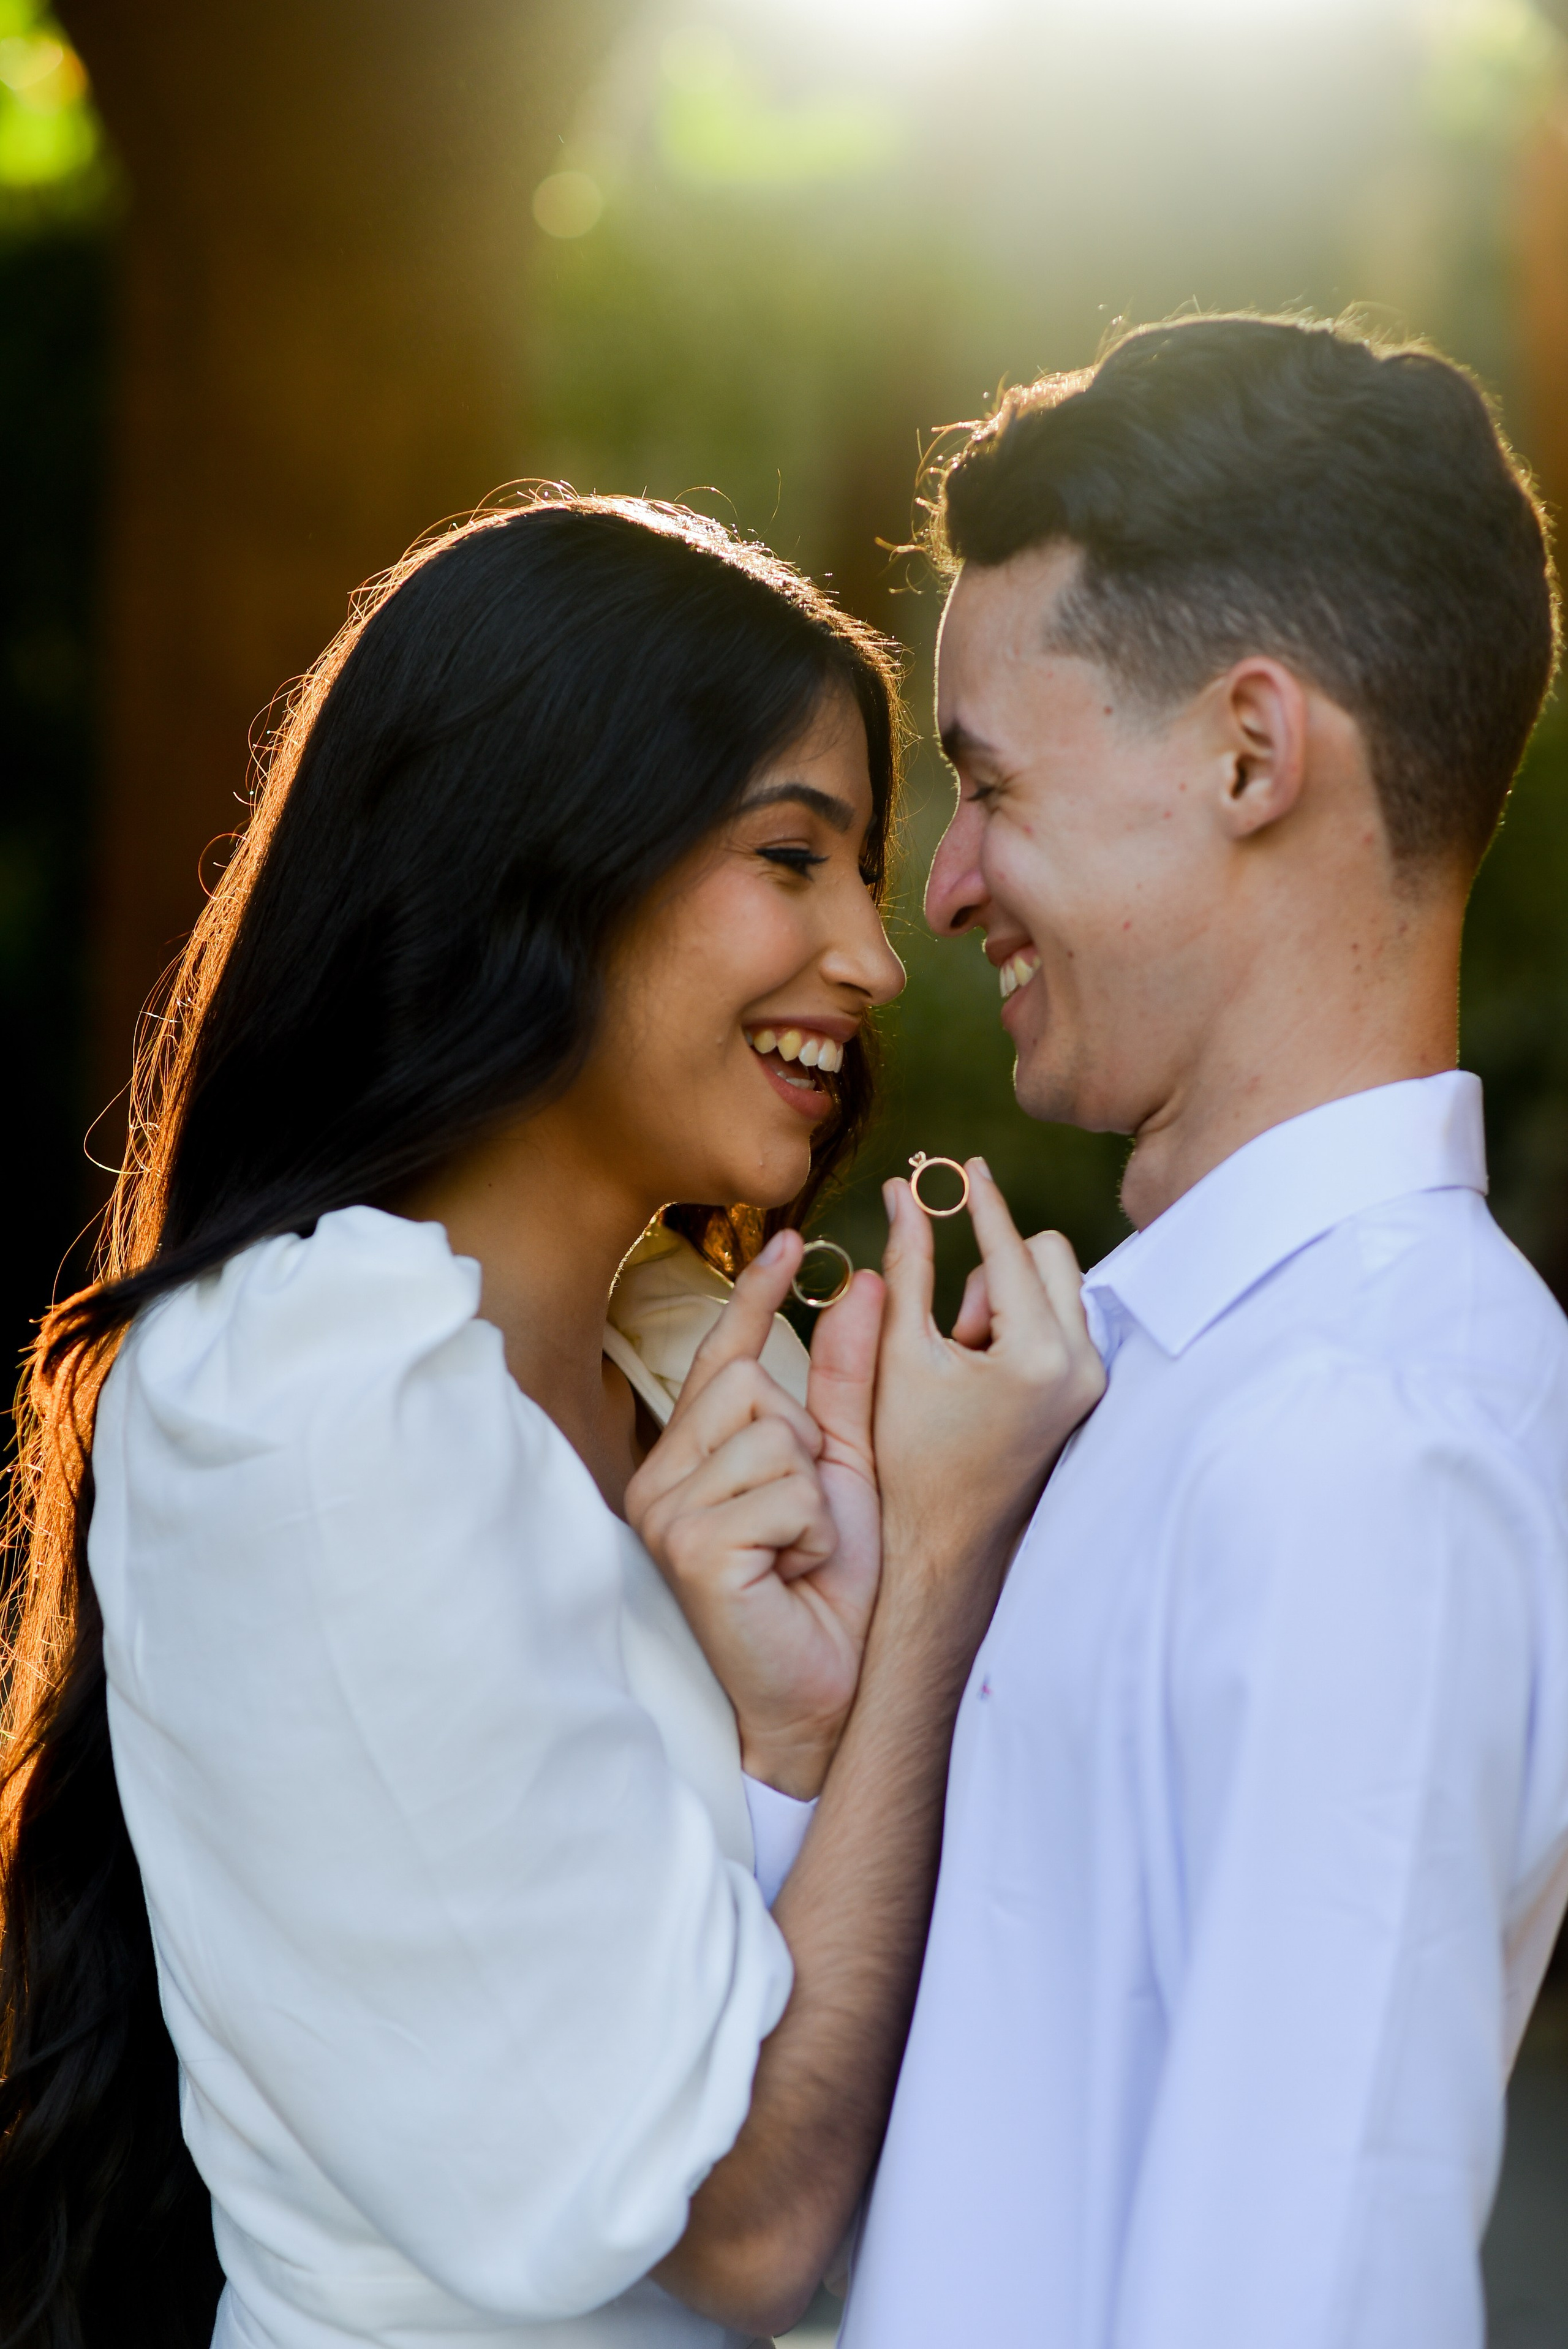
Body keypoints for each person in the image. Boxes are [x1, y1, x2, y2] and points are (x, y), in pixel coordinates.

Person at [0, 496, 1106, 2349]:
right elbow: (744, 2225)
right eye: (791, 854)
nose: (873, 953)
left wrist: (800, 1731)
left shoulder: (694, 1384)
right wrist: (940, 1584)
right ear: (550, 847)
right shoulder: (309, 1386)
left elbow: (771, 2057)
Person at [841, 315, 1568, 2349]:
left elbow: (1305, 2279)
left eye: (989, 783)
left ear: (1252, 751)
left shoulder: (1368, 1439)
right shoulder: (1188, 1378)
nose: (949, 884)